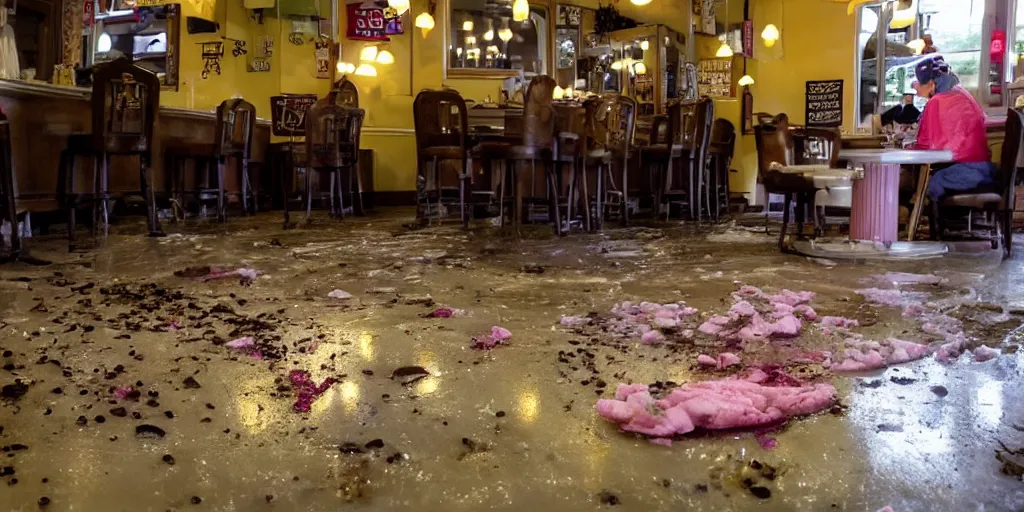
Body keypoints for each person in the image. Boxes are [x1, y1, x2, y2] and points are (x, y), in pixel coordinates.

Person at [912, 55, 997, 236]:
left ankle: (936, 234)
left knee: (929, 183)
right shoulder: (962, 94)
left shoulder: (939, 101)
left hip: (969, 173)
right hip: (985, 170)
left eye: (921, 84)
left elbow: (927, 145)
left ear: (932, 84)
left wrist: (908, 147)